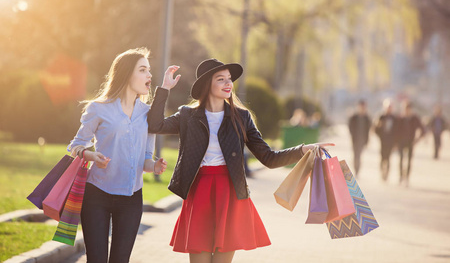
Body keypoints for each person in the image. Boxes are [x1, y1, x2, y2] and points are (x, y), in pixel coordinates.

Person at [147, 58, 334, 263]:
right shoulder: (187, 115)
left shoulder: (242, 118)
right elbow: (154, 125)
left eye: (229, 79)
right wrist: (164, 88)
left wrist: (302, 150)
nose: (229, 84)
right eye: (221, 79)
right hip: (199, 192)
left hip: (231, 194)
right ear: (207, 84)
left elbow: (268, 158)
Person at [67, 48, 168, 263]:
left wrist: (155, 166)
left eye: (149, 70)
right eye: (143, 70)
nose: (149, 75)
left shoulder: (148, 114)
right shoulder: (98, 108)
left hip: (131, 199)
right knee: (96, 260)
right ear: (126, 73)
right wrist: (92, 156)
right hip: (97, 195)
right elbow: (76, 146)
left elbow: (145, 159)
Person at [397, 101, 425, 186]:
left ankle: (407, 177)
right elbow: (396, 131)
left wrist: (417, 140)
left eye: (408, 109)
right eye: (405, 109)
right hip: (401, 142)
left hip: (410, 142)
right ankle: (401, 176)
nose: (407, 111)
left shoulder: (415, 118)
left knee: (409, 160)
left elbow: (423, 130)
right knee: (401, 159)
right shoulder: (400, 118)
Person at [374, 98, 399, 181]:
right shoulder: (381, 117)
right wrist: (379, 133)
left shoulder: (394, 118)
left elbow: (397, 131)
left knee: (388, 158)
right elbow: (375, 129)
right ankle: (382, 171)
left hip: (390, 141)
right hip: (383, 141)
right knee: (382, 157)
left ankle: (387, 173)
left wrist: (396, 142)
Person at [348, 100, 371, 176]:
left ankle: (358, 169)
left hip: (363, 140)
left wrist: (367, 140)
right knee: (355, 155)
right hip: (355, 140)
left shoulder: (367, 118)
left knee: (359, 155)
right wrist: (352, 135)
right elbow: (350, 127)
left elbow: (368, 130)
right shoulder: (354, 117)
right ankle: (355, 169)